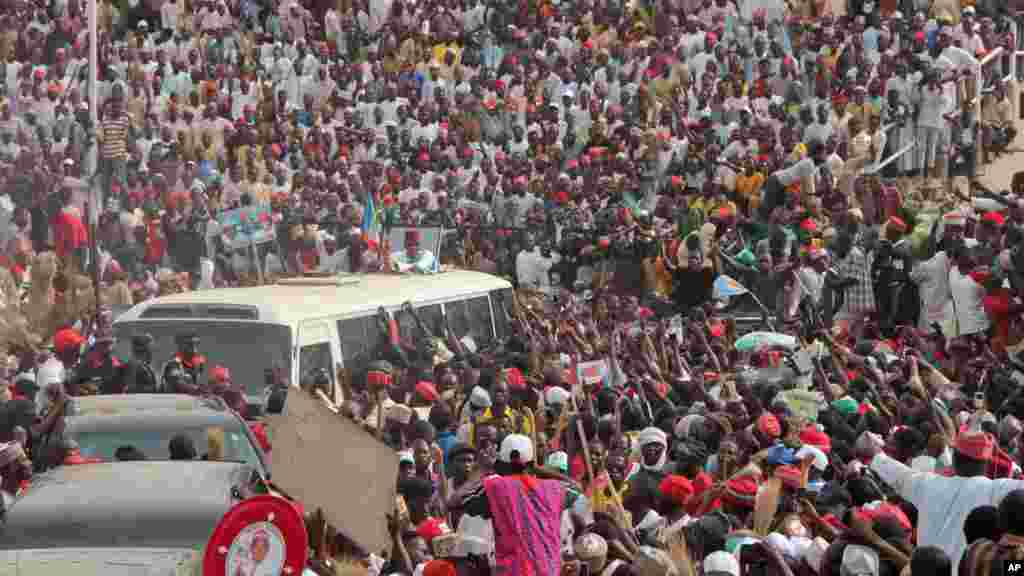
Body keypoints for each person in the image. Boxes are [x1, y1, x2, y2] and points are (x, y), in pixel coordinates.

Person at [457, 434, 567, 574]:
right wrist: (537, 468)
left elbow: (459, 499)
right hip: (551, 570)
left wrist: (482, 469)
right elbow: (576, 487)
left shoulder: (496, 487)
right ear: (531, 463)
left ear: (502, 464)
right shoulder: (554, 488)